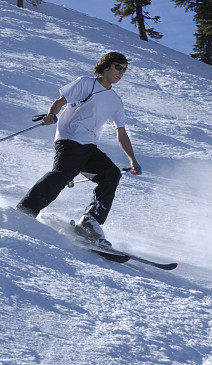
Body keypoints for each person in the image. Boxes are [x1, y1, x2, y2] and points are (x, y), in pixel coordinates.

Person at [16, 52, 141, 246]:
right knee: (64, 173)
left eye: (125, 69)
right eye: (118, 67)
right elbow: (60, 101)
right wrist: (51, 114)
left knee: (111, 174)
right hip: (69, 140)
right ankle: (25, 211)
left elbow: (121, 133)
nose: (121, 72)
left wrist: (133, 159)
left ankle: (90, 223)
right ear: (106, 67)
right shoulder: (85, 83)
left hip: (88, 147)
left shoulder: (115, 101)